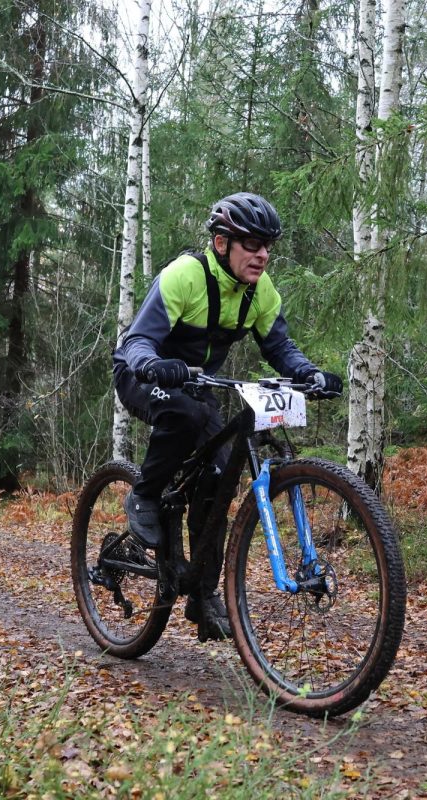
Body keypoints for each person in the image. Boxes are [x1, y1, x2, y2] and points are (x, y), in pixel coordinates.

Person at [112, 192, 342, 641]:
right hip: (141, 372)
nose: (263, 255)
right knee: (183, 413)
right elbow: (138, 340)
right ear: (221, 243)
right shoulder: (185, 275)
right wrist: (153, 363)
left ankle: (202, 593)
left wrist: (309, 374)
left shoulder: (260, 290)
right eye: (252, 244)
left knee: (219, 477)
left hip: (197, 386)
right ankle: (144, 495)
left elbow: (279, 346)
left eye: (267, 246)